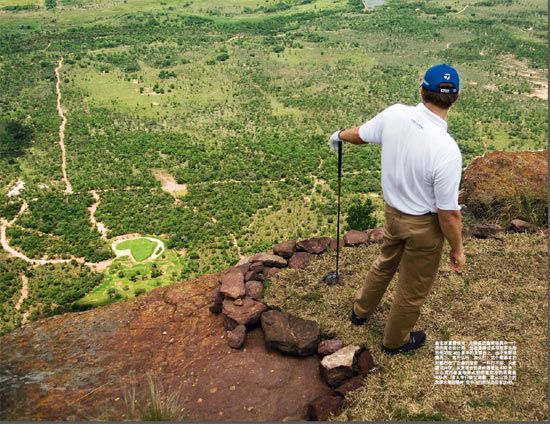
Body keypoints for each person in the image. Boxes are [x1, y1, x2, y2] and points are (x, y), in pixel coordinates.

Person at [328, 63, 466, 355]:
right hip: (424, 227)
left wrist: (339, 135)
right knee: (412, 288)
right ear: (455, 98)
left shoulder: (395, 115)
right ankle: (394, 341)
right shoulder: (447, 149)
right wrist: (457, 249)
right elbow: (448, 213)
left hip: (393, 214)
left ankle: (360, 312)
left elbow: (359, 135)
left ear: (421, 90)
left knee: (385, 263)